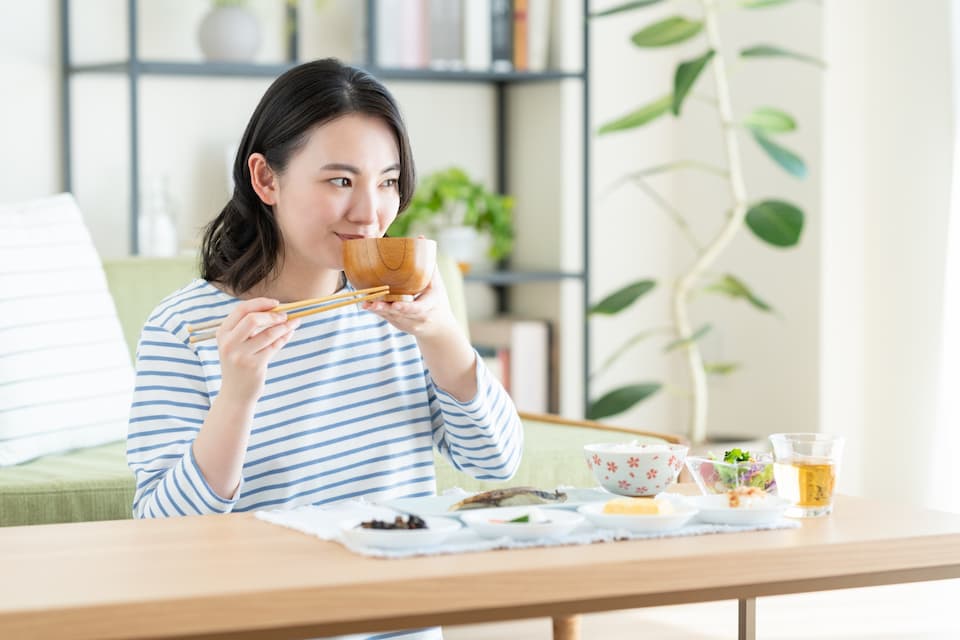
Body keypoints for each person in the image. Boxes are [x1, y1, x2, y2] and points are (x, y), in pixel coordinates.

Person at [126, 59, 523, 639]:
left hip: (401, 622)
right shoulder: (183, 328)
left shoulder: (404, 310)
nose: (370, 214)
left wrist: (441, 333)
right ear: (266, 180)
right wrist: (236, 398)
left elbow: (496, 464)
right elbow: (161, 534)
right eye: (340, 181)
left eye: (387, 182)